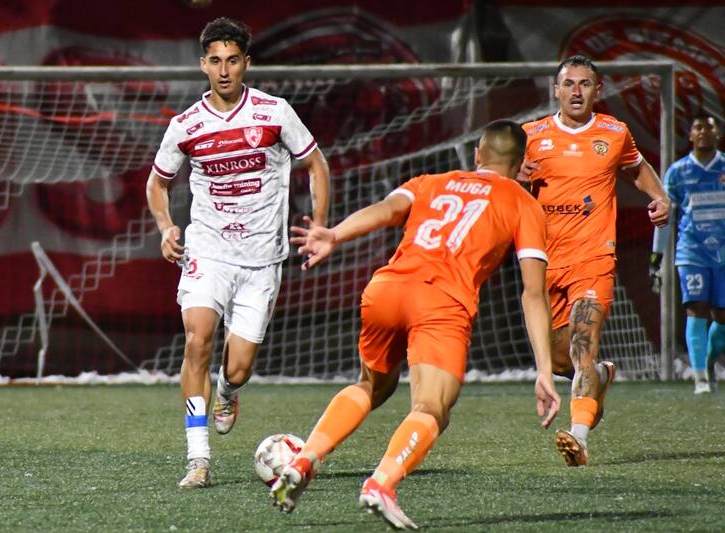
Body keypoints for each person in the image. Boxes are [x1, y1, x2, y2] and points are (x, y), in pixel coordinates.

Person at [270, 120, 561, 530]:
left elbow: (387, 210)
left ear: (477, 155)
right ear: (521, 163)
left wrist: (334, 234)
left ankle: (302, 462)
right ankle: (382, 485)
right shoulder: (523, 203)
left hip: (386, 289)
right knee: (432, 408)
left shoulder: (431, 180)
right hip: (440, 301)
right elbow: (533, 293)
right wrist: (545, 369)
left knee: (372, 385)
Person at [145, 17, 330, 488]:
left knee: (238, 366)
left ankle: (227, 391)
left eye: (232, 61)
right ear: (202, 64)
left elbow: (315, 163)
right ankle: (197, 459)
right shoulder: (185, 125)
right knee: (197, 340)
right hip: (207, 249)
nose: (224, 71)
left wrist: (322, 224)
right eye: (215, 61)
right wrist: (167, 227)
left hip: (262, 259)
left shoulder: (274, 113)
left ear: (246, 63)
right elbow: (157, 183)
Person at [520, 55, 670, 467]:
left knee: (583, 344)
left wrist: (661, 198)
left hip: (594, 259)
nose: (576, 91)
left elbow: (638, 169)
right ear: (555, 89)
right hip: (546, 264)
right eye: (568, 84)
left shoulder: (613, 133)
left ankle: (579, 436)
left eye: (585, 84)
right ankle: (601, 377)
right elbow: (500, 185)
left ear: (597, 90)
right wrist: (515, 176)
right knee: (558, 358)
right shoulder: (531, 136)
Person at [650, 112, 725, 394]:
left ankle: (707, 360)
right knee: (696, 308)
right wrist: (656, 258)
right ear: (690, 135)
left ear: (717, 134)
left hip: (723, 254)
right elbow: (665, 217)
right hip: (691, 252)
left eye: (709, 127)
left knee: (722, 317)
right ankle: (700, 377)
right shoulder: (677, 173)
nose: (704, 131)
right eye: (698, 127)